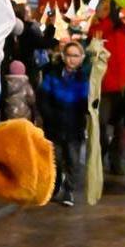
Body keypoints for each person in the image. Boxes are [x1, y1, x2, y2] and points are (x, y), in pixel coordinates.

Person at [39, 40, 91, 207]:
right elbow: (43, 99)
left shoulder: (84, 78)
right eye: (69, 55)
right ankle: (55, 187)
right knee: (57, 158)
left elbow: (86, 103)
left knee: (73, 160)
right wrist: (49, 116)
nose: (71, 59)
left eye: (76, 56)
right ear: (63, 56)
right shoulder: (52, 75)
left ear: (81, 58)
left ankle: (69, 189)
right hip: (54, 125)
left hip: (74, 126)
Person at [87, 0, 125, 175]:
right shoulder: (98, 30)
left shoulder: (124, 29)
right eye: (105, 8)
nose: (109, 11)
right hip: (105, 87)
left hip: (123, 86)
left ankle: (116, 160)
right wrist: (109, 21)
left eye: (110, 8)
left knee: (121, 127)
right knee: (102, 123)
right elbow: (95, 40)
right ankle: (102, 153)